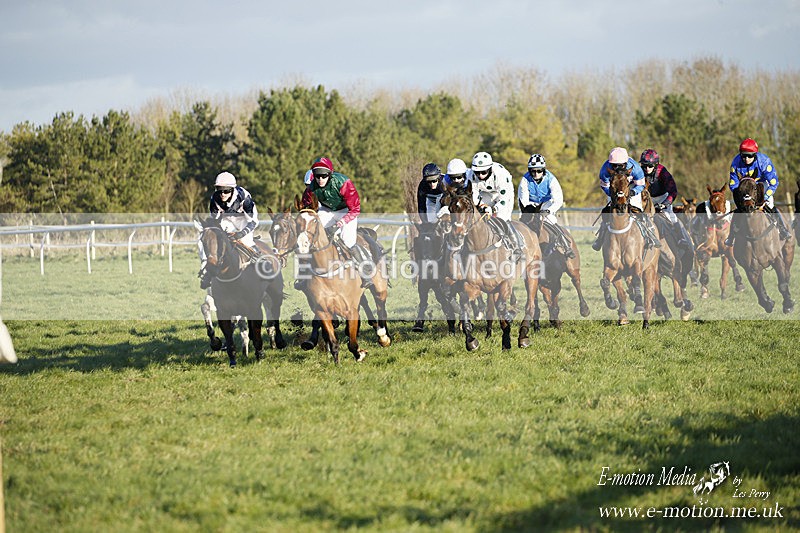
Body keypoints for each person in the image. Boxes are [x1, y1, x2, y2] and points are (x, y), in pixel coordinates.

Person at [301, 156, 373, 287]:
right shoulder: (311, 188)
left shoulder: (343, 182)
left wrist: (340, 223)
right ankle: (304, 274)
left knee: (348, 241)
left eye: (324, 175)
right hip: (326, 210)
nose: (320, 179)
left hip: (346, 211)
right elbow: (307, 208)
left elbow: (355, 208)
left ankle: (366, 272)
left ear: (330, 174)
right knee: (313, 237)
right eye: (317, 175)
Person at [725, 138, 791, 245]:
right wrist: (741, 197)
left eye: (750, 156)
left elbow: (774, 183)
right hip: (744, 187)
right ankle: (731, 236)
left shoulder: (764, 162)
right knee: (739, 210)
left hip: (761, 185)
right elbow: (733, 185)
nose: (746, 158)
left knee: (770, 205)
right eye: (744, 155)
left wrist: (764, 197)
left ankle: (782, 229)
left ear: (755, 155)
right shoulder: (735, 163)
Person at [592, 147, 660, 250]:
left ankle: (650, 232)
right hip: (614, 189)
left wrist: (632, 192)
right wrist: (613, 195)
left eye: (621, 165)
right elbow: (605, 186)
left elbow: (640, 185)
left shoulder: (635, 168)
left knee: (639, 211)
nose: (618, 167)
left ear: (626, 162)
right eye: (614, 166)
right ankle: (601, 236)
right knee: (607, 212)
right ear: (610, 164)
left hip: (632, 188)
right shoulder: (605, 170)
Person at [517, 153, 574, 258]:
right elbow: (523, 199)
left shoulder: (551, 179)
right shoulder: (525, 180)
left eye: (539, 170)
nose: (536, 173)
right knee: (523, 223)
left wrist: (549, 210)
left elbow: (558, 199)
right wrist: (529, 212)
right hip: (531, 204)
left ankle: (566, 246)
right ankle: (517, 249)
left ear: (543, 170)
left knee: (550, 220)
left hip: (547, 204)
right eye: (533, 171)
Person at [640, 149, 693, 252]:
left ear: (656, 165)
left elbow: (673, 190)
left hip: (662, 197)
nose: (646, 168)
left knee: (671, 217)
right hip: (646, 199)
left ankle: (681, 239)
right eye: (644, 165)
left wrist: (665, 204)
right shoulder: (639, 171)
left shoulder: (662, 172)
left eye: (650, 166)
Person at [467, 152, 515, 221]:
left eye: (483, 172)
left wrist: (493, 209)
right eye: (477, 172)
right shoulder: (471, 175)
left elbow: (504, 199)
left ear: (490, 169)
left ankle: (509, 231)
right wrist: (480, 207)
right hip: (486, 193)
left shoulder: (500, 174)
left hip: (504, 195)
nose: (480, 175)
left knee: (502, 219)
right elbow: (475, 197)